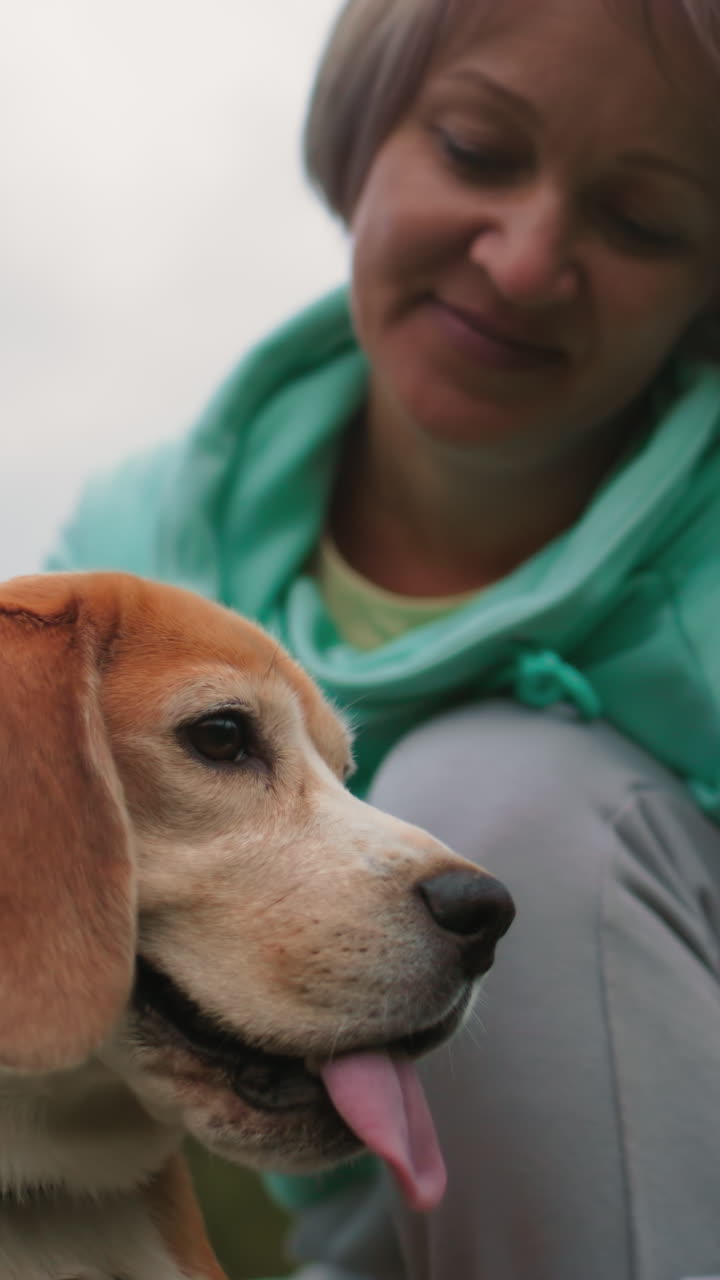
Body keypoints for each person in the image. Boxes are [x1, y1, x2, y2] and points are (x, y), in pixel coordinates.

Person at [48, 0, 720, 1277]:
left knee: (503, 797)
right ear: (362, 140)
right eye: (475, 147)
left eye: (640, 222)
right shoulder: (134, 551)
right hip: (365, 1238)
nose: (524, 261)